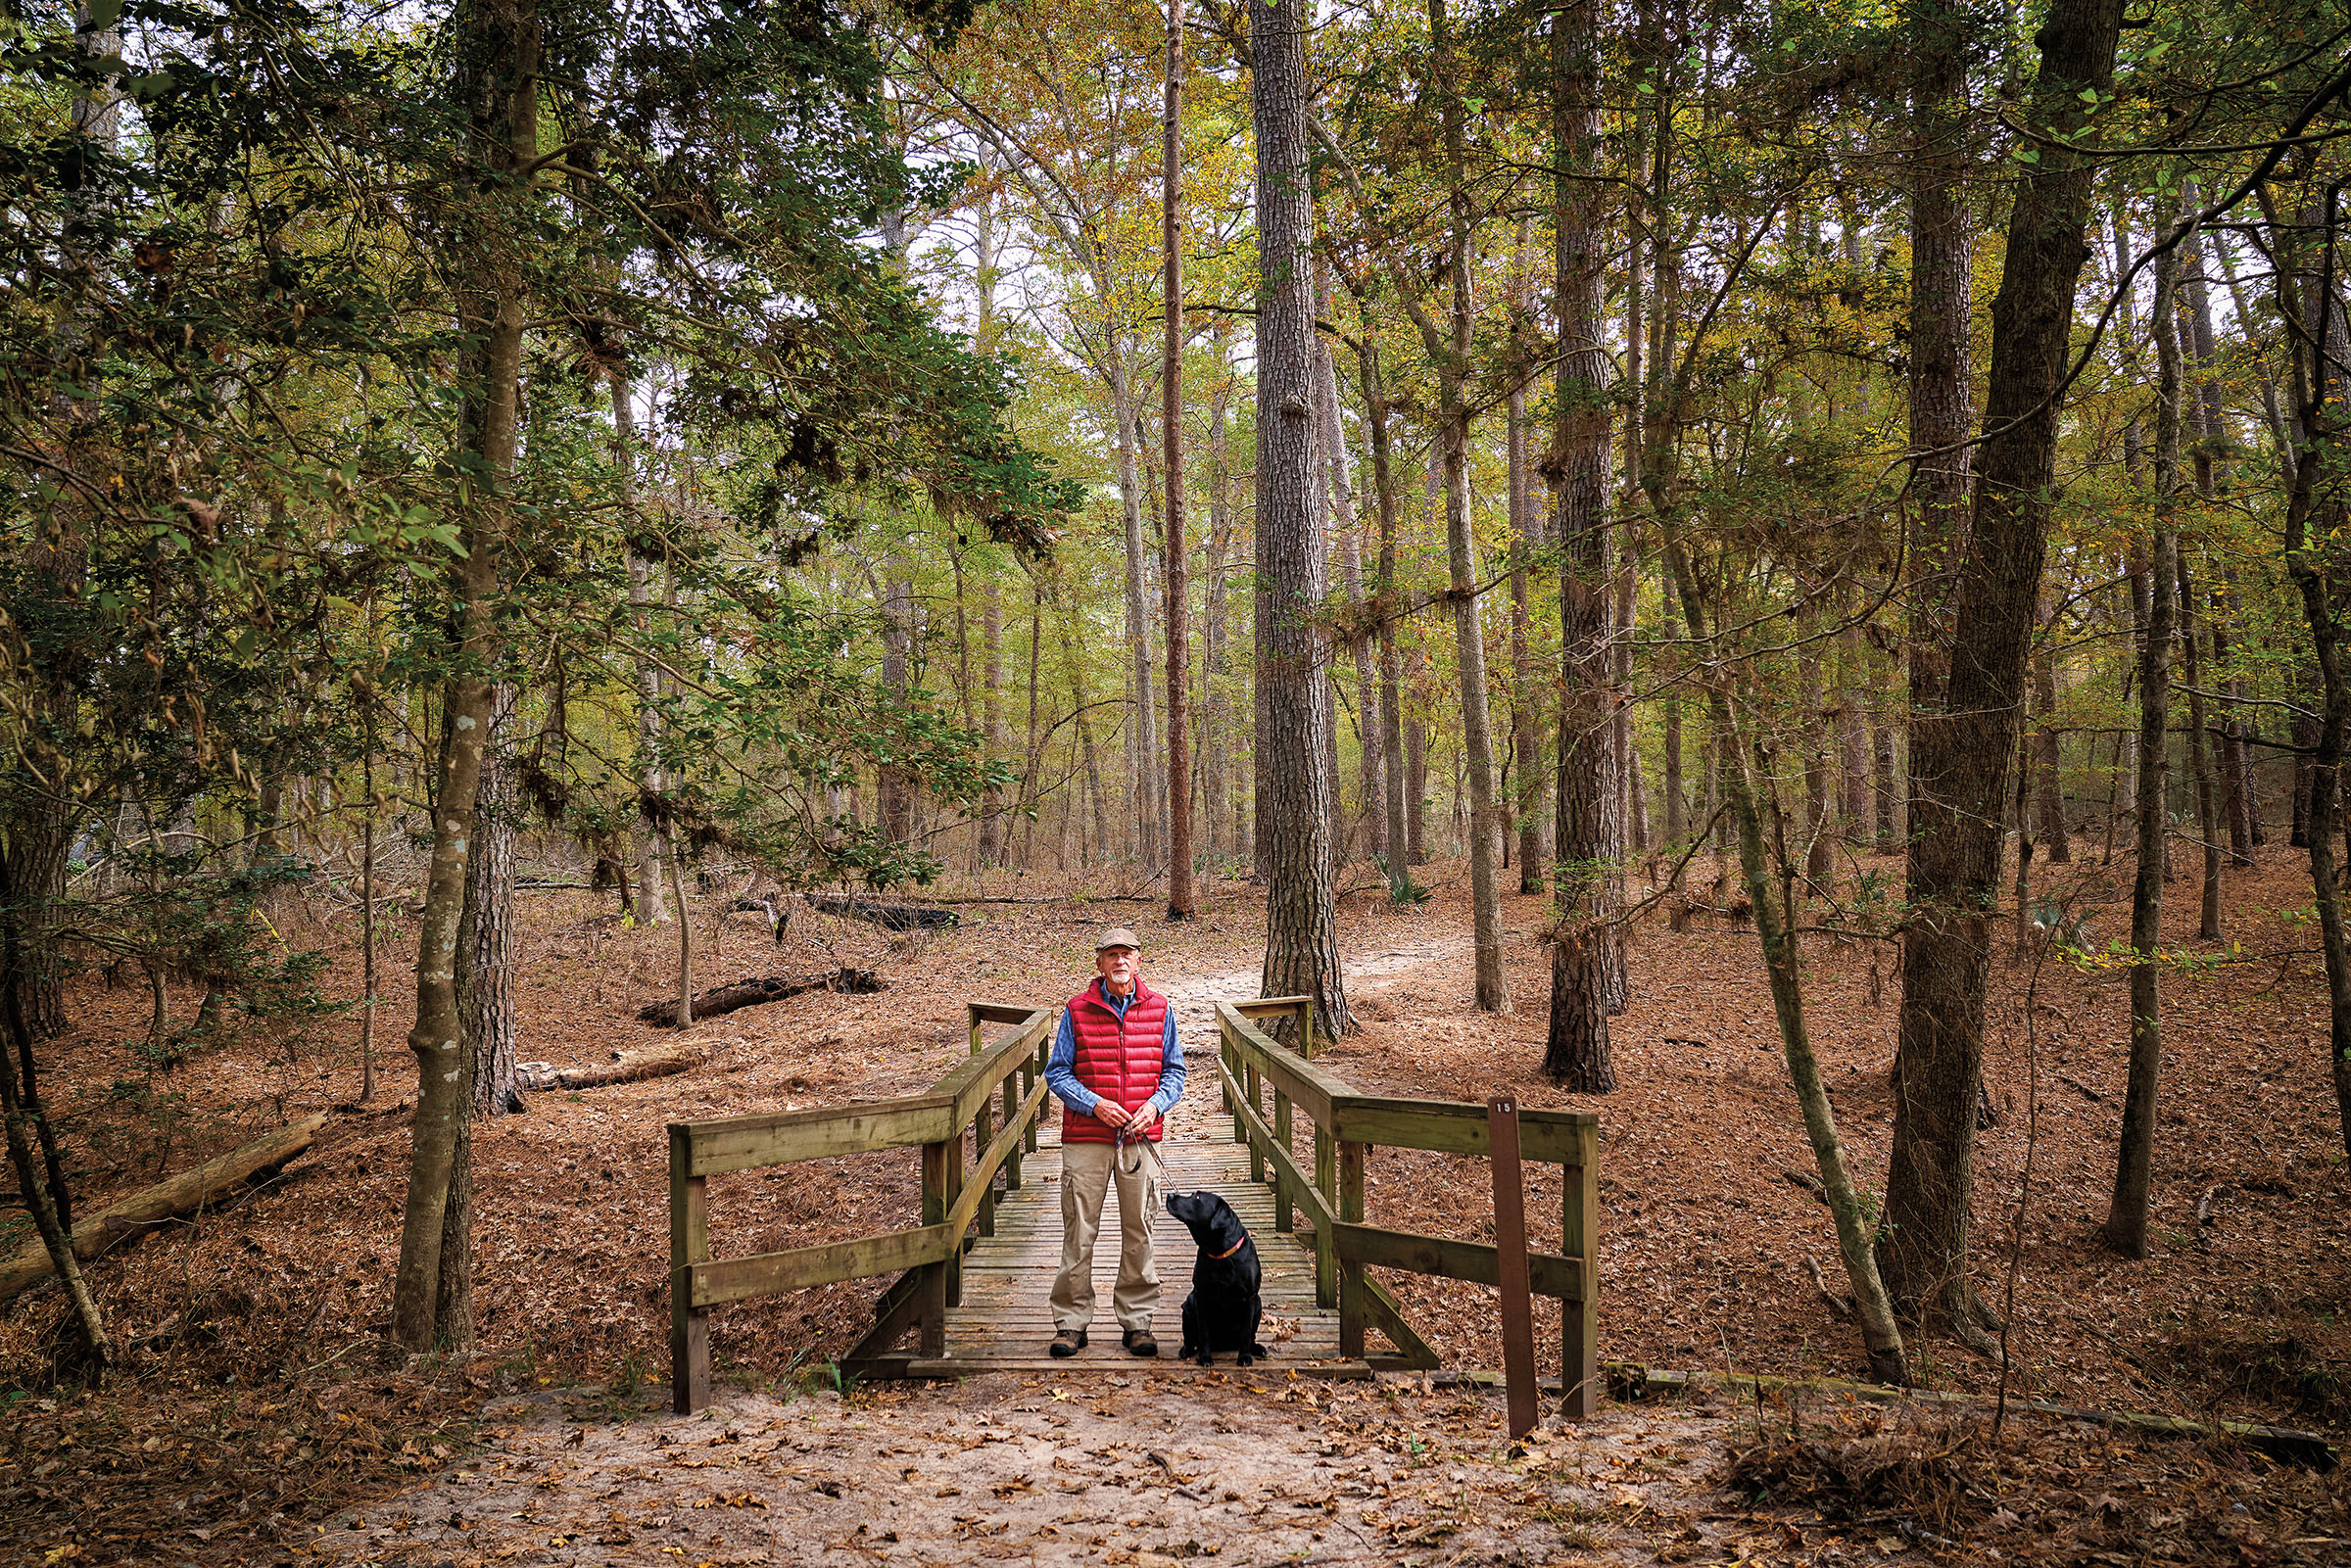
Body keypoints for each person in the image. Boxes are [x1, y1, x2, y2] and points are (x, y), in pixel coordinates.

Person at [1043, 927, 1184, 1356]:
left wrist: (1154, 1107)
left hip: (1140, 1139)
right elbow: (1057, 1072)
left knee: (1139, 1228)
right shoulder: (1077, 1010)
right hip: (1087, 1137)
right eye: (1112, 955)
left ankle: (1138, 1322)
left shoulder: (1160, 1009)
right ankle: (1071, 1323)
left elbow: (1174, 1073)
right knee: (1079, 1231)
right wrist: (1095, 1104)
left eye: (1127, 954)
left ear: (1139, 961)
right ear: (1100, 963)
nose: (1120, 961)